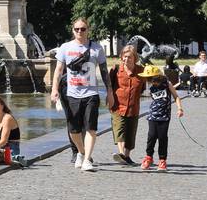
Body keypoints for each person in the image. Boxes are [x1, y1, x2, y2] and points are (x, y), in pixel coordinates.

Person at [50, 18, 110, 172]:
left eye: (83, 29)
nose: (80, 32)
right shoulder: (65, 47)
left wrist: (109, 91)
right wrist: (54, 89)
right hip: (72, 94)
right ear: (73, 30)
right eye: (77, 29)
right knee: (74, 130)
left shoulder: (97, 48)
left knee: (91, 128)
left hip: (91, 93)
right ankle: (81, 153)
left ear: (88, 30)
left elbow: (104, 71)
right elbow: (58, 70)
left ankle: (87, 160)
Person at [107, 44, 146, 166]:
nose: (126, 59)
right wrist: (109, 98)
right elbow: (108, 85)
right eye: (124, 57)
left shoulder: (141, 71)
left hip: (133, 107)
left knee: (130, 132)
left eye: (129, 57)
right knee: (119, 130)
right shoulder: (116, 69)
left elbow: (143, 88)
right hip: (117, 105)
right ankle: (121, 153)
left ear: (135, 58)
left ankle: (127, 156)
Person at [140, 65, 184, 171]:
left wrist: (180, 109)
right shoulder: (149, 86)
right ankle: (148, 157)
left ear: (157, 77)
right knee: (151, 137)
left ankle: (162, 160)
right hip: (152, 115)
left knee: (162, 137)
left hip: (164, 116)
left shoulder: (167, 84)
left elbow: (176, 96)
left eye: (151, 79)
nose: (150, 81)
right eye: (148, 79)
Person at [0, 96, 28, 167]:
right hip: (1, 150)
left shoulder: (7, 118)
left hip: (10, 152)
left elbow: (4, 141)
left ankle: (16, 159)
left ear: (2, 106)